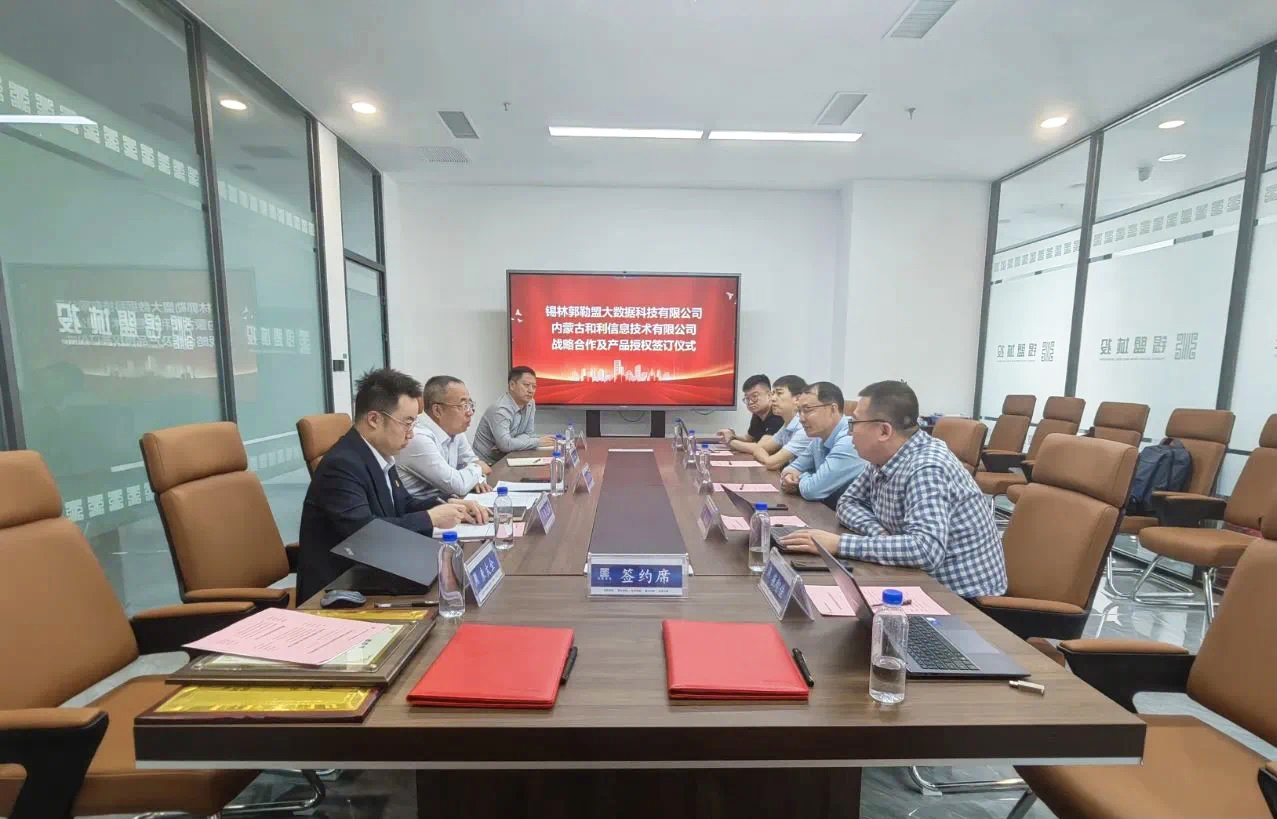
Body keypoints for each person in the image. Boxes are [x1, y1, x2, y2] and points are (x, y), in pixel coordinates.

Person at [780, 380, 1007, 598]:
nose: (849, 432)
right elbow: (847, 503)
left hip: (960, 597)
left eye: (854, 424)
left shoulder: (927, 467)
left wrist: (839, 544)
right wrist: (881, 535)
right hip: (913, 577)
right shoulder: (882, 457)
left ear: (884, 431)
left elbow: (925, 551)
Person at [297, 368, 486, 601]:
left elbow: (403, 504)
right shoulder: (342, 465)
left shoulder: (379, 453)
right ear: (374, 419)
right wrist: (430, 518)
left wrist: (447, 504)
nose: (411, 434)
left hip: (378, 570)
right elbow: (365, 532)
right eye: (407, 423)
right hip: (338, 591)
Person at [398, 375, 493, 498]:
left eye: (469, 404)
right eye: (463, 405)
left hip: (445, 501)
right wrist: (479, 469)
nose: (470, 412)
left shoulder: (455, 430)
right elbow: (457, 485)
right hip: (420, 506)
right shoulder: (417, 437)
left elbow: (471, 462)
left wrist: (478, 479)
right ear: (437, 410)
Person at [779, 381, 866, 508]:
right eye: (799, 411)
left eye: (807, 410)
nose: (801, 419)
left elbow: (812, 490)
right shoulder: (819, 436)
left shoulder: (850, 439)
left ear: (832, 409)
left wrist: (800, 479)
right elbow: (791, 468)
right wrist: (793, 476)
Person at [473, 366, 557, 464]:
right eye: (526, 385)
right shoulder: (500, 410)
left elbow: (528, 434)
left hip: (509, 456)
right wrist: (537, 442)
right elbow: (505, 445)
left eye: (534, 386)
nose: (531, 390)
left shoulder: (530, 403)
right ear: (512, 385)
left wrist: (513, 442)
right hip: (486, 463)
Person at [734, 374, 810, 471]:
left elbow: (772, 463)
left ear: (797, 399)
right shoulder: (787, 426)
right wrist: (768, 460)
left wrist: (768, 460)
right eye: (773, 393)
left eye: (779, 393)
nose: (773, 398)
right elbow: (760, 449)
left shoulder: (804, 429)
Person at [717, 374, 783, 449]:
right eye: (747, 398)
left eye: (754, 396)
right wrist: (731, 436)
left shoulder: (777, 414)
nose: (750, 402)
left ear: (769, 395)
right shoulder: (757, 414)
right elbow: (749, 439)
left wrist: (730, 441)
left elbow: (761, 448)